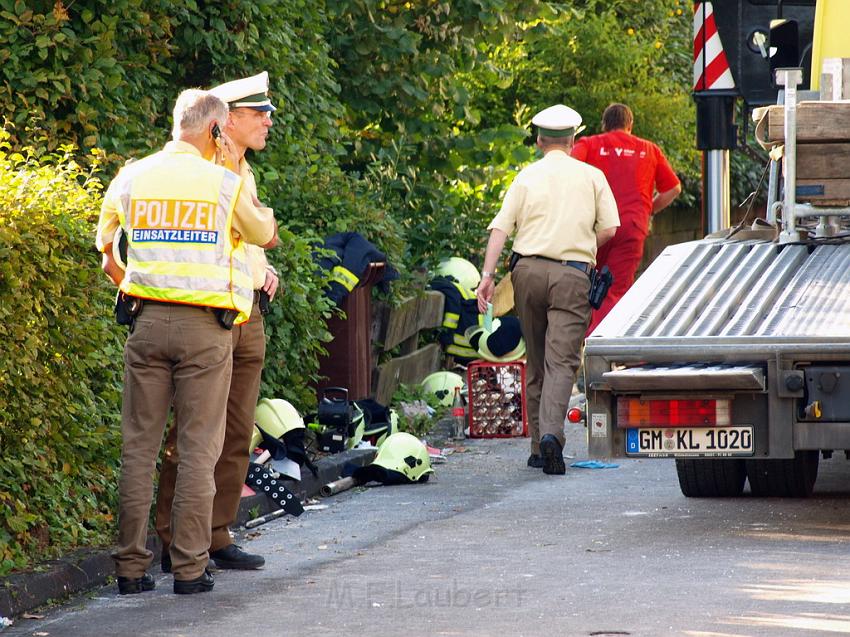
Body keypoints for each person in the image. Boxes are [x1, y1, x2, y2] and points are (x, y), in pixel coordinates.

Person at [95, 89, 278, 595]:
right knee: (199, 450)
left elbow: (105, 246)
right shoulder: (223, 182)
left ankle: (131, 570)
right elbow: (264, 234)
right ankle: (190, 570)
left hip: (146, 323)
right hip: (204, 332)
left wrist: (131, 283)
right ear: (217, 131)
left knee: (139, 448)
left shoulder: (131, 175)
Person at [155, 72, 280, 573]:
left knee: (235, 432)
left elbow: (248, 239)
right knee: (190, 433)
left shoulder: (241, 170)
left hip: (246, 308)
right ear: (225, 122)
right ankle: (173, 539)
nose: (269, 121)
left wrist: (266, 271)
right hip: (207, 314)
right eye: (259, 114)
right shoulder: (199, 171)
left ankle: (215, 533)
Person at [475, 104, 619, 475]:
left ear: (539, 140)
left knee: (535, 358)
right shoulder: (592, 176)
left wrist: (487, 277)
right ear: (573, 140)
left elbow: (500, 230)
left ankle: (538, 445)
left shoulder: (526, 177)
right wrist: (581, 244)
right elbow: (610, 229)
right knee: (562, 362)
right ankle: (552, 436)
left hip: (527, 272)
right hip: (572, 274)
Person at [571, 103, 682, 334]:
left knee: (585, 284)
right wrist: (647, 209)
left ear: (604, 124)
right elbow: (674, 189)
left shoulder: (589, 144)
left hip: (595, 227)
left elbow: (568, 172)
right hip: (632, 226)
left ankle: (586, 340)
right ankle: (606, 345)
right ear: (630, 125)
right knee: (615, 289)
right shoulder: (649, 149)